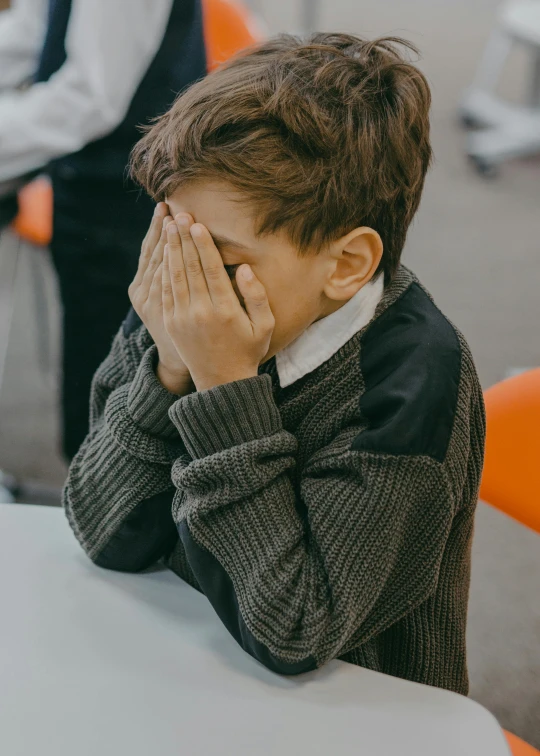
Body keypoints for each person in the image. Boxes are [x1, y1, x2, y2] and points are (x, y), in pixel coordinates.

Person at [63, 34, 486, 693]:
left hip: (356, 719)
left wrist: (223, 387)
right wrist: (170, 371)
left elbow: (293, 631)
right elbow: (100, 529)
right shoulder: (188, 303)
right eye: (174, 235)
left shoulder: (413, 379)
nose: (182, 282)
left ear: (345, 266)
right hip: (184, 676)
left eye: (220, 260)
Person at [0, 0, 206, 460]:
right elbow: (34, 30)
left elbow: (90, 98)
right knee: (90, 378)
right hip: (86, 184)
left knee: (113, 414)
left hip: (131, 200)